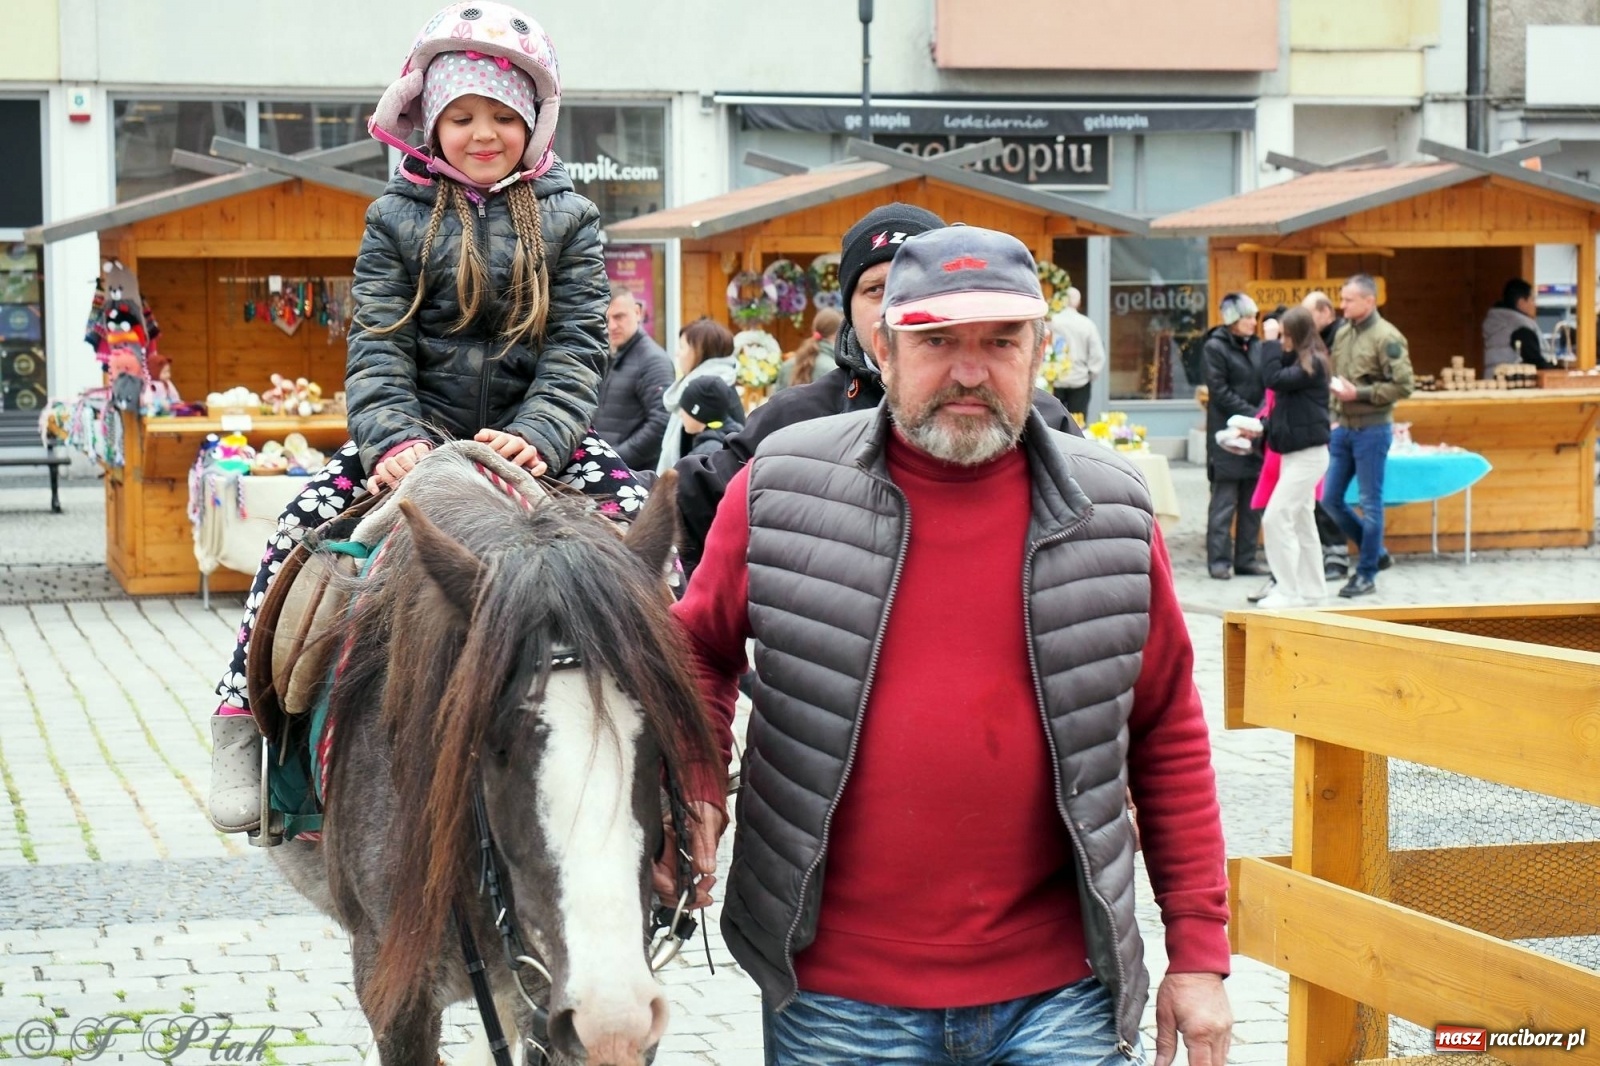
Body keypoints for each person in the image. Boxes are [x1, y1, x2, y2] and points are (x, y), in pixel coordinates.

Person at [666, 226, 1233, 1066]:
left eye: (999, 341)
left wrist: (1199, 954)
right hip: (837, 995)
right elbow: (695, 649)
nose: (971, 370)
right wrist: (699, 775)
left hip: (1063, 993)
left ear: (1038, 351)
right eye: (938, 342)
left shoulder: (1111, 513)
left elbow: (1168, 731)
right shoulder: (780, 487)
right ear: (884, 349)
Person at [208, 2, 648, 832]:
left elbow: (580, 340)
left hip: (536, 440)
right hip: (418, 437)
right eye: (462, 116)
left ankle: (683, 730)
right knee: (298, 535)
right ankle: (241, 718)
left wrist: (544, 430)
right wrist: (395, 439)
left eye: (502, 116)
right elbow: (377, 342)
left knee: (643, 543)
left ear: (533, 122)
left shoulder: (573, 219)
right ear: (430, 122)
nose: (483, 134)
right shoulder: (393, 219)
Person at [673, 203, 1083, 574]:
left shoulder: (1041, 420)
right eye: (876, 289)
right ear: (849, 307)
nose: (893, 304)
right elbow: (695, 506)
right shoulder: (794, 421)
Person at [1324, 274, 1414, 598]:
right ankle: (1374, 551)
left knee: (1370, 504)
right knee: (1330, 499)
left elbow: (1405, 385)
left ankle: (1366, 573)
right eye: (1342, 298)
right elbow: (1337, 377)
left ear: (1368, 301)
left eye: (1348, 299)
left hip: (1372, 430)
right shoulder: (1344, 333)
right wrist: (1335, 413)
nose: (1342, 304)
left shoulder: (1387, 337)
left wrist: (1359, 393)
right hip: (1343, 429)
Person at [1254, 307, 1332, 608]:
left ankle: (1288, 590)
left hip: (1309, 456)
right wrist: (1260, 427)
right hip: (1293, 454)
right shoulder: (1301, 362)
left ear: (1296, 335)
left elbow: (1272, 377)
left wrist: (1270, 342)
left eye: (1286, 335)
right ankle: (1313, 591)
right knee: (1302, 522)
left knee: (1276, 518)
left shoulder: (1314, 364)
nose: (1281, 340)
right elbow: (1286, 404)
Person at [1201, 293, 1268, 581]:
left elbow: (1268, 382)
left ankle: (1246, 559)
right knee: (1224, 501)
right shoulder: (1215, 347)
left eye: (1255, 317)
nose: (1254, 322)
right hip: (1227, 436)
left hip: (1254, 435)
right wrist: (1252, 416)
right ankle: (1218, 561)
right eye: (1248, 317)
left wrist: (1261, 416)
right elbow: (1220, 391)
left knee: (1252, 503)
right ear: (1231, 320)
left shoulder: (1258, 347)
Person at [1299, 291, 1352, 581]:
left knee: (1329, 493)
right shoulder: (1320, 340)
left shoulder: (1340, 338)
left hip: (1334, 423)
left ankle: (1337, 555)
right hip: (1323, 422)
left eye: (1310, 315)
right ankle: (1327, 552)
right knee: (1321, 493)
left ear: (1324, 311)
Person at [594, 287, 674, 471]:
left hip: (633, 476)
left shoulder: (653, 361)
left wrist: (614, 459)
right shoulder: (610, 355)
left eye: (619, 316)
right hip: (608, 470)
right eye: (606, 319)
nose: (612, 326)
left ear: (638, 312)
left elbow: (661, 423)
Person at [658, 317, 739, 474]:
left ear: (699, 352)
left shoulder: (710, 393)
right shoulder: (706, 386)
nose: (677, 354)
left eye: (682, 347)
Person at [1049, 285, 1107, 420]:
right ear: (1079, 302)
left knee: (1054, 423)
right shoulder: (1087, 324)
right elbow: (1097, 354)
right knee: (1078, 424)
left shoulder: (1053, 322)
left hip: (1056, 379)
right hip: (1080, 379)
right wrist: (1091, 373)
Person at [1482, 278, 1559, 373]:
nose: (1535, 305)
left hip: (1493, 381)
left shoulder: (1498, 323)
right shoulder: (1521, 328)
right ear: (1521, 302)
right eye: (1532, 300)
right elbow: (1535, 361)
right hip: (1512, 382)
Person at [674, 375, 745, 457]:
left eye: (685, 409)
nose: (680, 414)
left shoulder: (707, 455)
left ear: (699, 413)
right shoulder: (732, 436)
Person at [776, 308, 842, 390]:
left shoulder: (787, 365)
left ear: (814, 329)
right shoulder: (835, 370)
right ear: (837, 334)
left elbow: (775, 400)